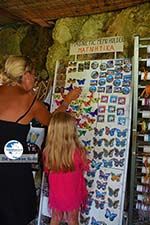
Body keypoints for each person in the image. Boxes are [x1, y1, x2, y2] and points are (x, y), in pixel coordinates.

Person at [0, 55, 81, 225]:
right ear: (25, 75)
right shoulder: (30, 101)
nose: (35, 78)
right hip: (15, 165)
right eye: (34, 73)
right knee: (17, 210)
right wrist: (67, 101)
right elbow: (53, 122)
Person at [43, 112, 89, 225]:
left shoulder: (48, 152)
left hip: (56, 191)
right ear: (71, 131)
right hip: (73, 191)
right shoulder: (79, 152)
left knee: (55, 218)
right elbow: (84, 167)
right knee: (73, 219)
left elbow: (47, 170)